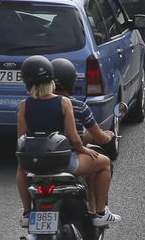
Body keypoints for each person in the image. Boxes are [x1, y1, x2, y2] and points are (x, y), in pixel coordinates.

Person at [14, 55, 115, 228]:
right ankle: (100, 213)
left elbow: (21, 139)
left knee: (21, 168)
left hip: (34, 163)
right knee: (105, 163)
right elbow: (74, 138)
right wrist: (84, 149)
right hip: (62, 162)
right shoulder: (64, 102)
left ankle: (27, 212)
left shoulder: (24, 105)